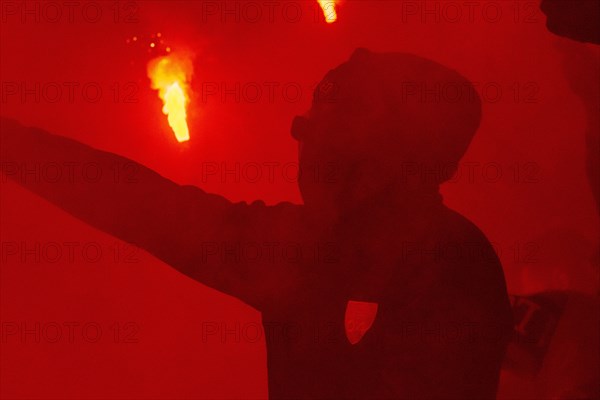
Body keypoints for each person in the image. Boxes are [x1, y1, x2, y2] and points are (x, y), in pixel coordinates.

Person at [0, 49, 512, 399]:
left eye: (319, 137)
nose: (305, 154)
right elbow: (141, 204)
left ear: (376, 165)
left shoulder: (449, 271)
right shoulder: (321, 246)